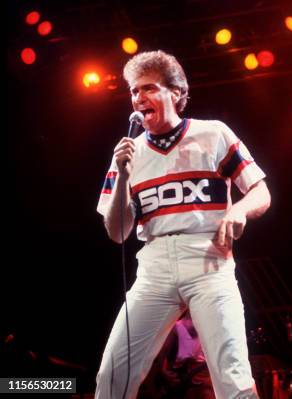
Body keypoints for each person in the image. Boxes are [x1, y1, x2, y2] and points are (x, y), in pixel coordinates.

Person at [95, 50, 270, 399]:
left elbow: (261, 192)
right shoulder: (127, 154)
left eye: (147, 88)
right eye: (133, 91)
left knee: (232, 376)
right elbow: (117, 233)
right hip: (154, 266)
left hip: (208, 260)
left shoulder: (213, 133)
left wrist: (239, 211)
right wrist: (124, 174)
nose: (138, 98)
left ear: (175, 92)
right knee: (112, 375)